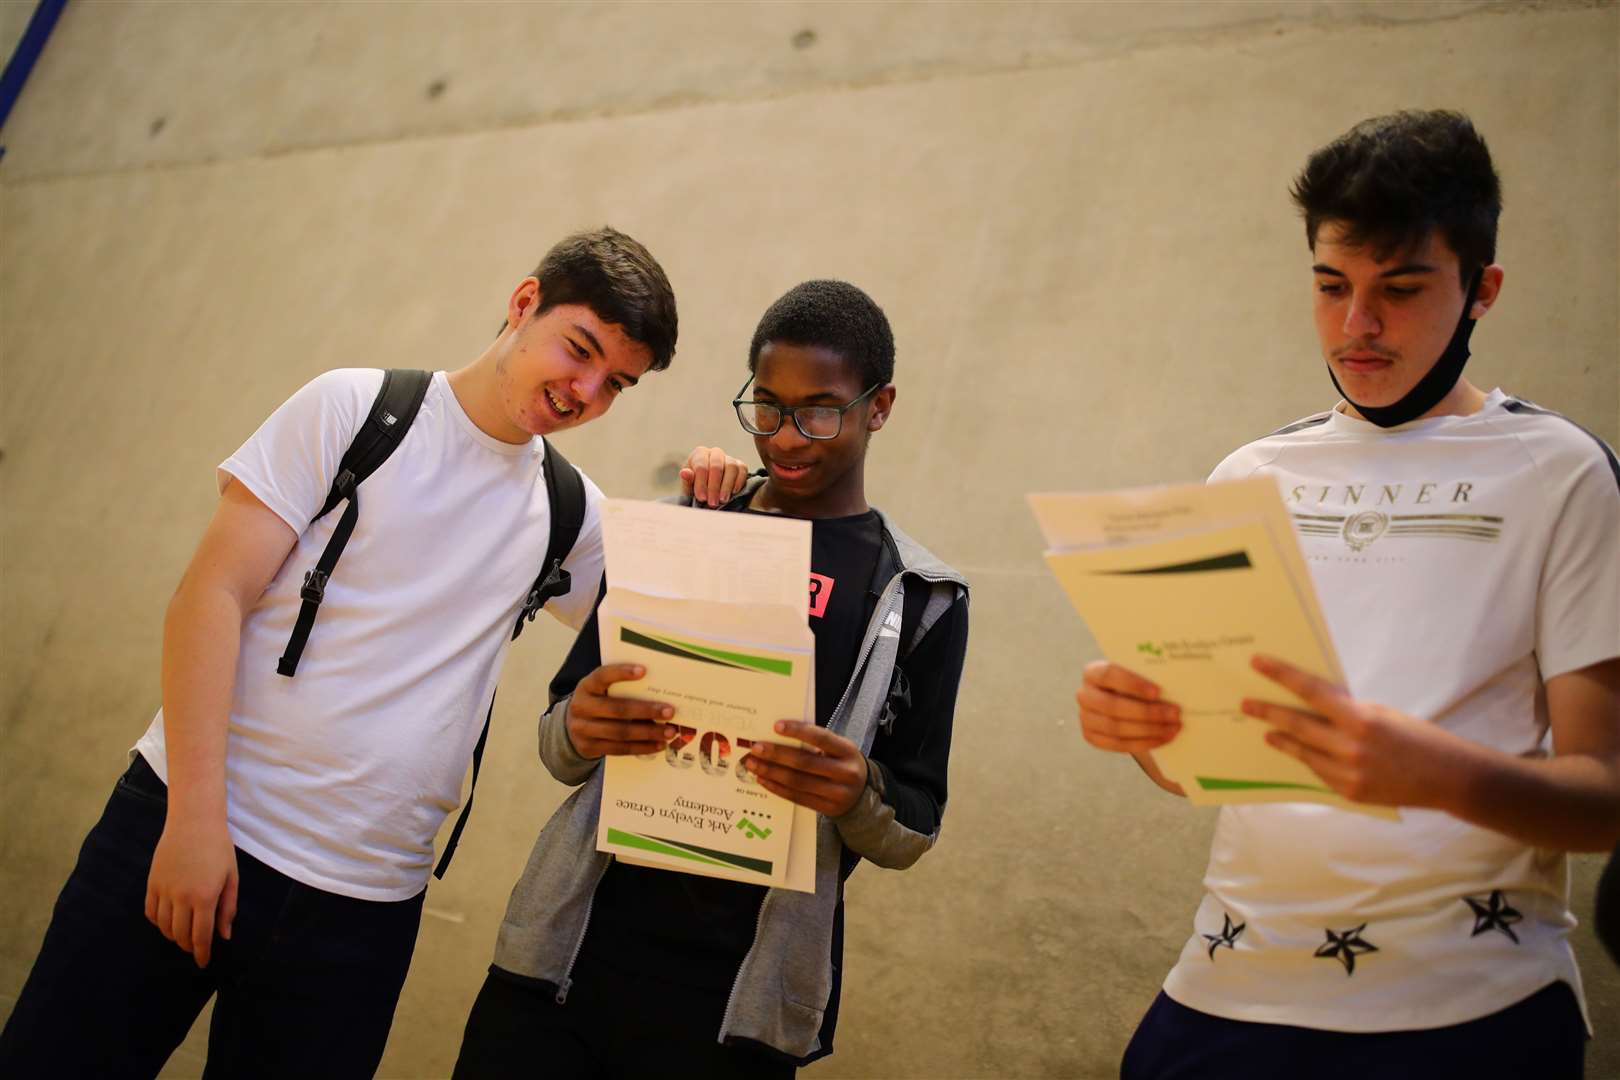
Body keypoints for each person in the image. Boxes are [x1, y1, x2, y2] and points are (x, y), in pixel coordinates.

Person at [0, 227, 746, 1078]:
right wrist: (194, 823)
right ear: (524, 301)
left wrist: (717, 500)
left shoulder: (570, 514)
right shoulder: (355, 409)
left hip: (364, 908)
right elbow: (209, 596)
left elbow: (689, 635)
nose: (584, 391)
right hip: (190, 829)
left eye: (616, 383)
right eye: (579, 351)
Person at [1076, 111, 1620, 1078]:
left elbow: (1605, 798)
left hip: (1472, 1006)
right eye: (1332, 288)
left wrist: (1434, 773)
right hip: (1227, 986)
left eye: (1400, 290)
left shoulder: (1561, 471)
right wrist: (1148, 736)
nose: (1357, 326)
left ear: (1482, 290)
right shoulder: (1252, 470)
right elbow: (1198, 772)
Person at [452, 280, 971, 1077]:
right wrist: (582, 726)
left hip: (741, 1012)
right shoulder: (685, 528)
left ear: (881, 405)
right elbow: (560, 740)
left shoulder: (920, 597)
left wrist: (854, 791)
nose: (787, 438)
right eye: (766, 406)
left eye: (820, 409)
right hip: (561, 968)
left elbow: (917, 823)